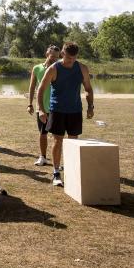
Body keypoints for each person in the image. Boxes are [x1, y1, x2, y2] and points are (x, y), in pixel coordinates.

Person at [37, 42, 94, 187]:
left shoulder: (82, 68)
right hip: (57, 109)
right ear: (62, 54)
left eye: (74, 58)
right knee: (58, 140)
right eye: (68, 58)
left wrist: (90, 106)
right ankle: (56, 172)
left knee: (73, 141)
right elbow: (41, 89)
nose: (71, 61)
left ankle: (71, 169)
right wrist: (41, 109)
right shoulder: (53, 69)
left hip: (75, 110)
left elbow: (88, 88)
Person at [27, 45, 61, 166]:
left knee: (57, 135)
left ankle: (58, 161)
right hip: (41, 107)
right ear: (47, 54)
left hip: (56, 107)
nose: (54, 59)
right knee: (43, 133)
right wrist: (30, 104)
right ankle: (43, 157)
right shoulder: (37, 68)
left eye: (57, 57)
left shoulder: (59, 68)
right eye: (52, 56)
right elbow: (32, 87)